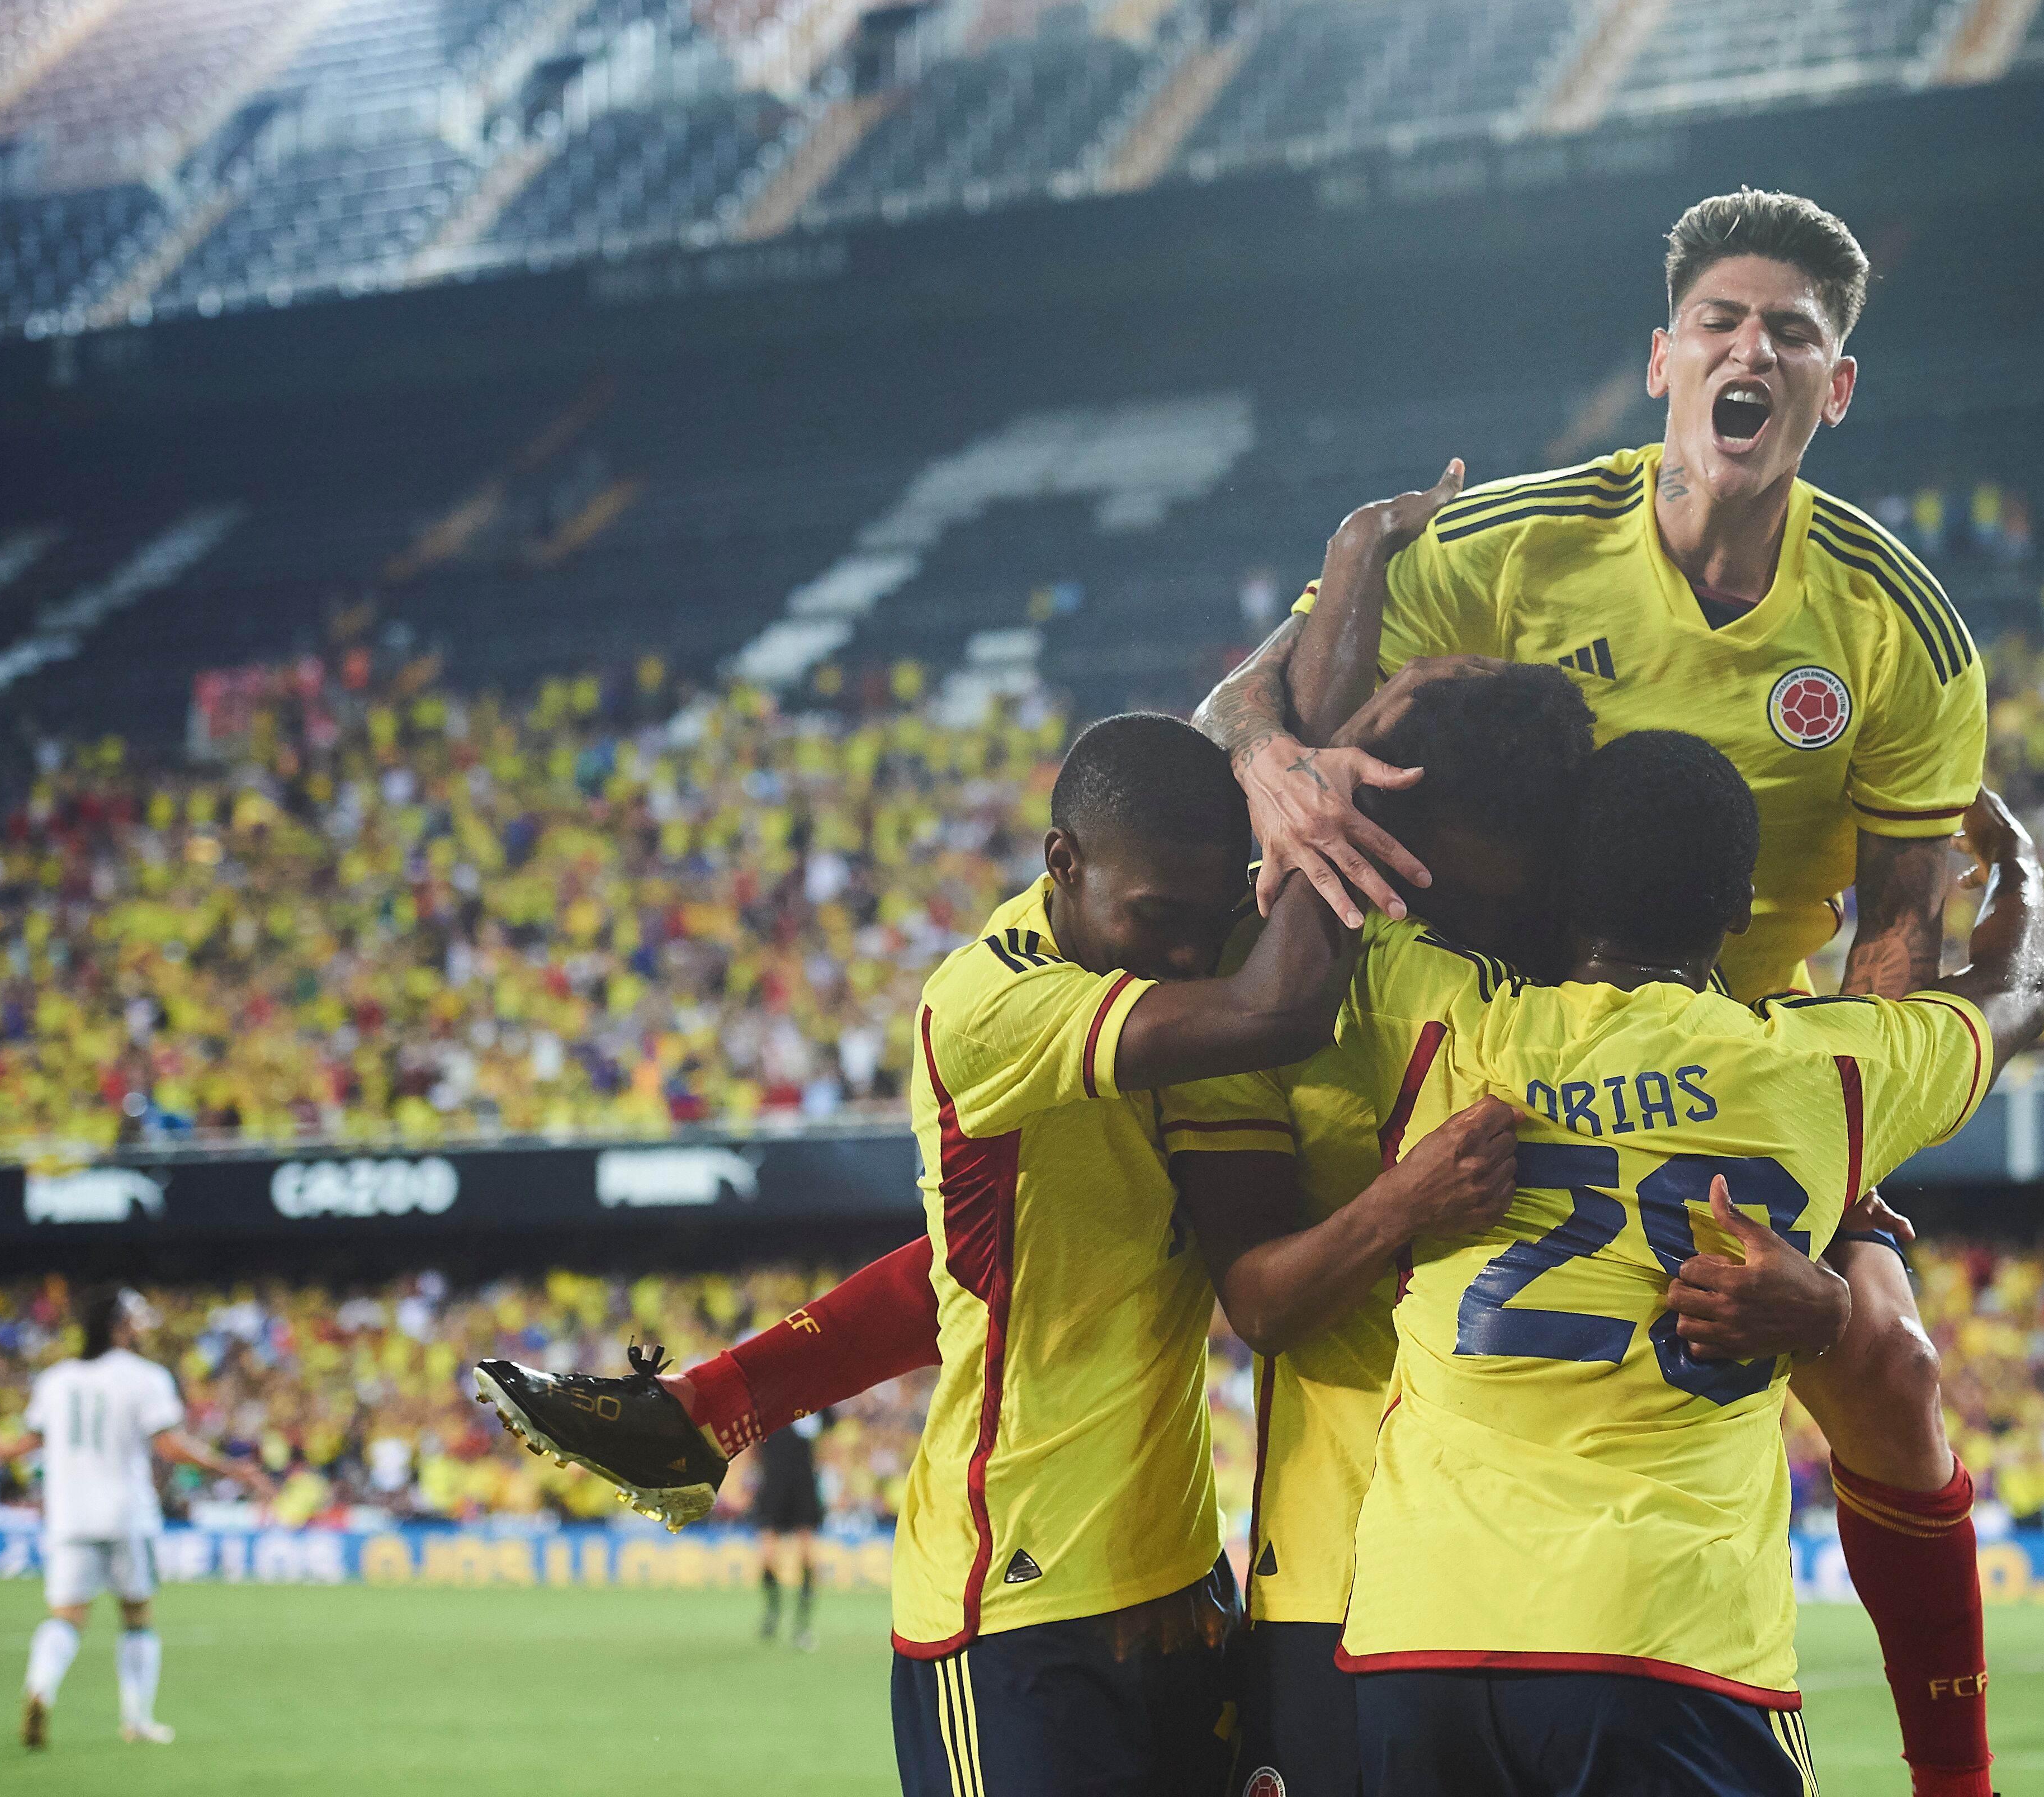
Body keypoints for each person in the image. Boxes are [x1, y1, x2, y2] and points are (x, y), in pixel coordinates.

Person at [1196, 186, 2003, 1796]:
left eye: (1792, 330)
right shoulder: (1514, 541)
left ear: (1834, 389)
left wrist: (1820, 1148)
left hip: (1739, 1067)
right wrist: (1270, 759)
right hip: (1483, 1026)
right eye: (1721, 320)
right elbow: (1251, 693)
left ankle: (1956, 1781)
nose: (1750, 347)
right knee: (1270, 1285)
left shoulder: (1898, 627)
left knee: (1897, 1371)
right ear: (1662, 360)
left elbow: (1904, 928)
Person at [479, 712, 1421, 1797]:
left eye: (1205, 920)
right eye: (1158, 916)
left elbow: (964, 1276)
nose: (1182, 951)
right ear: (1061, 861)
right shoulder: (992, 1003)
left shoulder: (1161, 996)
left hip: (1172, 1579)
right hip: (1011, 1610)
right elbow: (1280, 1004)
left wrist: (722, 1393)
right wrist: (1332, 774)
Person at [1167, 671, 1861, 1797]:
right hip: (1342, 1564)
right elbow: (1257, 1303)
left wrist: (1828, 1297)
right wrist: (1401, 1204)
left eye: (1503, 902)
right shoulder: (1294, 978)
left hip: (1539, 1594)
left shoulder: (1556, 1002)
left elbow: (1798, 1191)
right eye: (1436, 899)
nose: (1476, 933)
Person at [1329, 735, 2044, 1796]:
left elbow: (1307, 891)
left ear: (1567, 891)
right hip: (1667, 1636)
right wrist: (2015, 863)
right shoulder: (1826, 1073)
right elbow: (2013, 988)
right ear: (1738, 913)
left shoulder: (1444, 1022)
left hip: (1421, 1630)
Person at [0, 1284, 271, 1749]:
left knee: (66, 1616)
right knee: (137, 1616)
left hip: (69, 1515)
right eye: (136, 1321)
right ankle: (137, 1721)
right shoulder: (145, 1377)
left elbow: (30, 1440)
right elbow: (168, 1445)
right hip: (126, 1511)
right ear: (119, 1327)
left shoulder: (56, 1379)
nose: (142, 1328)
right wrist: (229, 1467)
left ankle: (40, 1688)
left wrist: (0, 1449)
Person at [752, 1411, 827, 1649]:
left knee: (807, 1555)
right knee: (767, 1556)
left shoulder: (818, 1400)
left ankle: (803, 1625)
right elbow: (753, 1443)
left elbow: (828, 1440)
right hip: (773, 1481)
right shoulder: (767, 1398)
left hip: (804, 1484)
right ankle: (773, 1610)